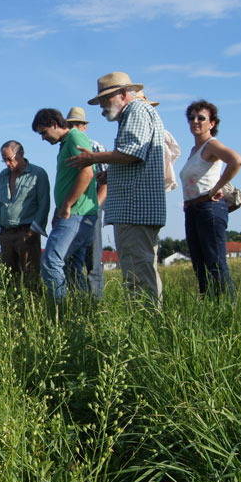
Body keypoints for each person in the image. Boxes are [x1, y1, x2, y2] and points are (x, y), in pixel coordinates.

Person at [68, 72, 167, 308]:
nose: (101, 106)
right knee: (142, 269)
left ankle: (146, 326)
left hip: (135, 208)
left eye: (104, 99)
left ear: (122, 94)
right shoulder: (138, 113)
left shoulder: (136, 111)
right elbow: (136, 157)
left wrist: (92, 158)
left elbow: (132, 152)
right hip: (138, 208)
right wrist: (110, 172)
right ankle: (151, 324)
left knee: (137, 274)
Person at [179, 100, 241, 300]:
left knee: (215, 264)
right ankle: (210, 308)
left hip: (209, 208)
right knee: (200, 265)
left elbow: (236, 160)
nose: (195, 122)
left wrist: (216, 188)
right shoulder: (193, 151)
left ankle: (228, 311)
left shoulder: (211, 145)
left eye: (201, 118)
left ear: (212, 123)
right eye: (191, 118)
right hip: (193, 210)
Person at [32, 109, 99, 301]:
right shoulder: (65, 144)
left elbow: (87, 173)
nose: (43, 138)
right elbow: (69, 179)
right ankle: (82, 309)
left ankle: (58, 311)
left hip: (76, 213)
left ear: (55, 124)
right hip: (71, 213)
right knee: (71, 265)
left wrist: (67, 204)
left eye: (43, 132)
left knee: (51, 262)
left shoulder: (75, 138)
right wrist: (59, 208)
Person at [0, 140, 50, 288]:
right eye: (4, 160)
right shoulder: (3, 176)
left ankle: (32, 308)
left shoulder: (38, 174)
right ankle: (11, 309)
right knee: (8, 280)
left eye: (9, 159)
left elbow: (44, 204)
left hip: (27, 233)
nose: (7, 163)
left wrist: (34, 231)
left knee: (31, 278)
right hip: (6, 234)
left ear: (21, 154)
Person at [65, 106, 107, 298]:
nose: (74, 128)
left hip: (91, 209)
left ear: (84, 127)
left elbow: (107, 182)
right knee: (71, 258)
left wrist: (95, 206)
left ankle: (96, 303)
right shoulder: (66, 147)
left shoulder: (95, 147)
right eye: (70, 125)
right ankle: (79, 299)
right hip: (73, 211)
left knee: (93, 259)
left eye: (77, 124)